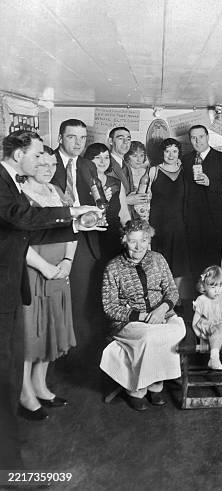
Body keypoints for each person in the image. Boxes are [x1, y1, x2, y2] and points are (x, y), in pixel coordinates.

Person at [0, 130, 98, 466]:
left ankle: (38, 391)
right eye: (40, 154)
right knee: (26, 342)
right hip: (26, 275)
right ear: (19, 156)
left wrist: (77, 228)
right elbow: (23, 226)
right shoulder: (11, 186)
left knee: (47, 335)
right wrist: (72, 214)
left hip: (49, 273)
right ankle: (22, 408)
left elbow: (46, 228)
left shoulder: (41, 186)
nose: (45, 161)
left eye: (48, 157)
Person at [100, 219, 186, 411]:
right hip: (128, 322)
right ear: (124, 240)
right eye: (133, 241)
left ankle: (156, 386)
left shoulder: (158, 259)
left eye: (143, 241)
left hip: (161, 315)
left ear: (149, 241)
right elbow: (109, 307)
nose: (139, 247)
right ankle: (137, 390)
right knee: (149, 336)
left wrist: (161, 309)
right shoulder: (113, 268)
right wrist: (142, 316)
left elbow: (172, 291)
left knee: (177, 329)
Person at [19, 145, 78, 420]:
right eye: (41, 165)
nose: (48, 170)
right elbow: (16, 243)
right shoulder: (18, 195)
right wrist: (44, 268)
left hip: (58, 271)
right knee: (32, 333)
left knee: (52, 329)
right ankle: (24, 393)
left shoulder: (57, 191)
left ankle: (40, 386)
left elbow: (72, 230)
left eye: (53, 165)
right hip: (32, 272)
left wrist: (66, 262)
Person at [52, 119, 106, 361]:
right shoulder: (47, 162)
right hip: (53, 239)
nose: (77, 143)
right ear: (60, 137)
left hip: (84, 239)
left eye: (82, 138)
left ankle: (78, 356)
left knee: (81, 298)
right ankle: (54, 354)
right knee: (56, 298)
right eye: (72, 137)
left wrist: (97, 213)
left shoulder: (86, 165)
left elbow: (99, 198)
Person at [183, 124, 222, 276]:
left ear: (208, 137)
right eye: (193, 138)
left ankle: (212, 297)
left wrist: (210, 183)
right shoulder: (185, 160)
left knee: (212, 261)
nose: (198, 141)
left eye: (201, 137)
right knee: (194, 260)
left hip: (215, 219)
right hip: (192, 219)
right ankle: (197, 298)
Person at [147, 138, 190, 298]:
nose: (171, 155)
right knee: (159, 260)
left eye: (174, 151)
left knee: (178, 261)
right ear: (162, 153)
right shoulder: (154, 171)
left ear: (179, 153)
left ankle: (175, 297)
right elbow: (143, 197)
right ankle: (160, 297)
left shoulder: (185, 171)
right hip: (158, 223)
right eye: (167, 151)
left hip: (179, 223)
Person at [84, 143, 130, 261]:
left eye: (106, 157)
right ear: (88, 160)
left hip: (113, 237)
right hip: (89, 238)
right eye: (98, 157)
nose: (103, 161)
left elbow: (124, 215)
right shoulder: (82, 182)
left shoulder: (116, 183)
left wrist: (131, 234)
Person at [123, 141, 151, 219]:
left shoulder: (147, 172)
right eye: (135, 156)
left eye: (142, 155)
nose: (139, 159)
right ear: (127, 156)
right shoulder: (124, 173)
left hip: (148, 216)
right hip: (130, 216)